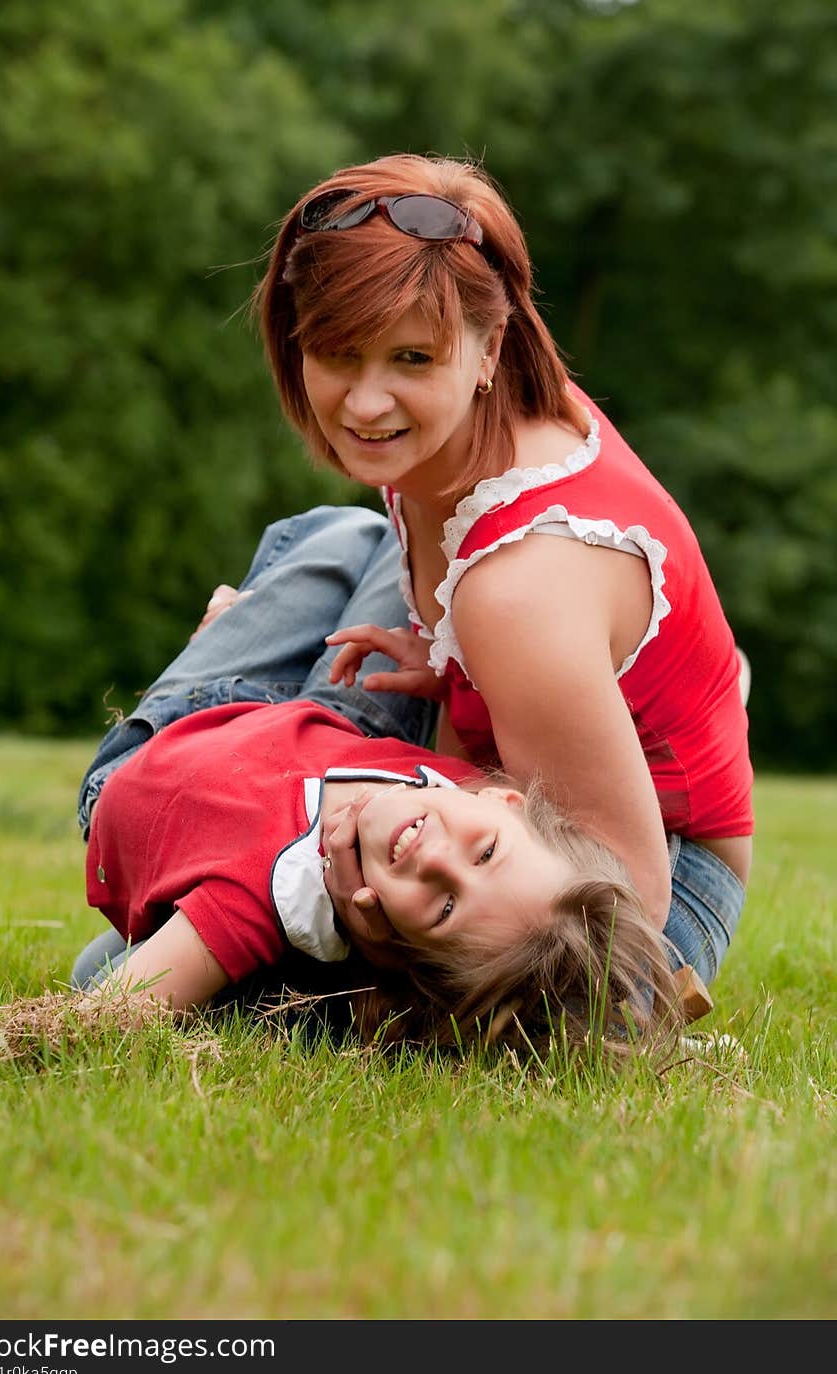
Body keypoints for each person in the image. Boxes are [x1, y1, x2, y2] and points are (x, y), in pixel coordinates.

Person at [247, 153, 753, 992]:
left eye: (411, 359)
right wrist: (457, 672)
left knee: (136, 967)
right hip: (498, 799)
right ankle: (221, 721)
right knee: (323, 540)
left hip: (631, 895)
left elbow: (627, 900)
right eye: (336, 352)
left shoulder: (518, 587)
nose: (366, 404)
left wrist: (383, 933)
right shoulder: (461, 431)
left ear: (490, 349)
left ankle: (166, 742)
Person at [72, 507, 689, 1056]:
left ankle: (232, 627)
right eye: (486, 851)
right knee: (394, 546)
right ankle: (256, 624)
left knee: (340, 535)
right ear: (502, 798)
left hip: (182, 731)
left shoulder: (272, 891)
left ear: (401, 942)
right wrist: (443, 661)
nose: (435, 857)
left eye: (445, 907)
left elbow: (107, 1010)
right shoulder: (446, 786)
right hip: (327, 730)